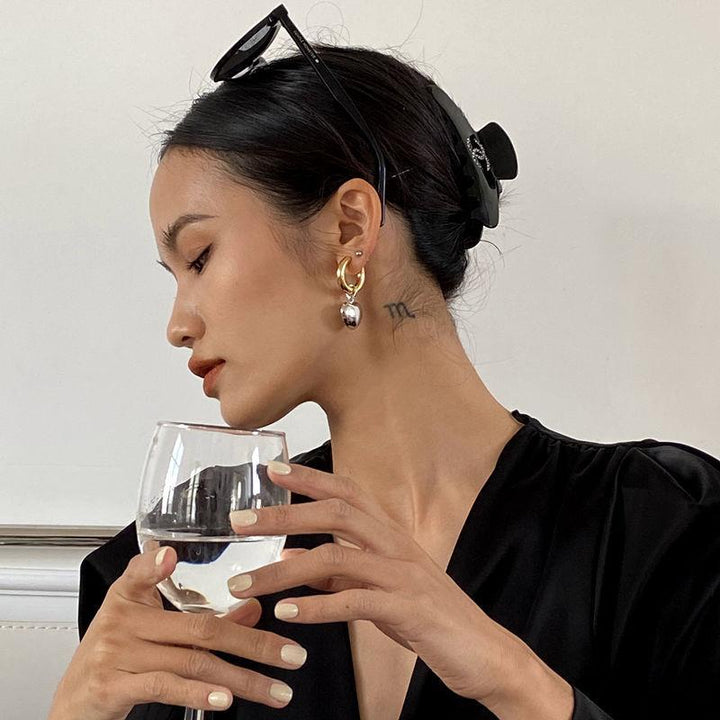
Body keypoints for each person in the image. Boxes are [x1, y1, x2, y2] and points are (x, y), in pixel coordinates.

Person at [50, 41, 720, 720]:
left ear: (350, 228)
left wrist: (510, 678)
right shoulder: (185, 556)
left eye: (200, 256)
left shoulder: (660, 529)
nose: (178, 325)